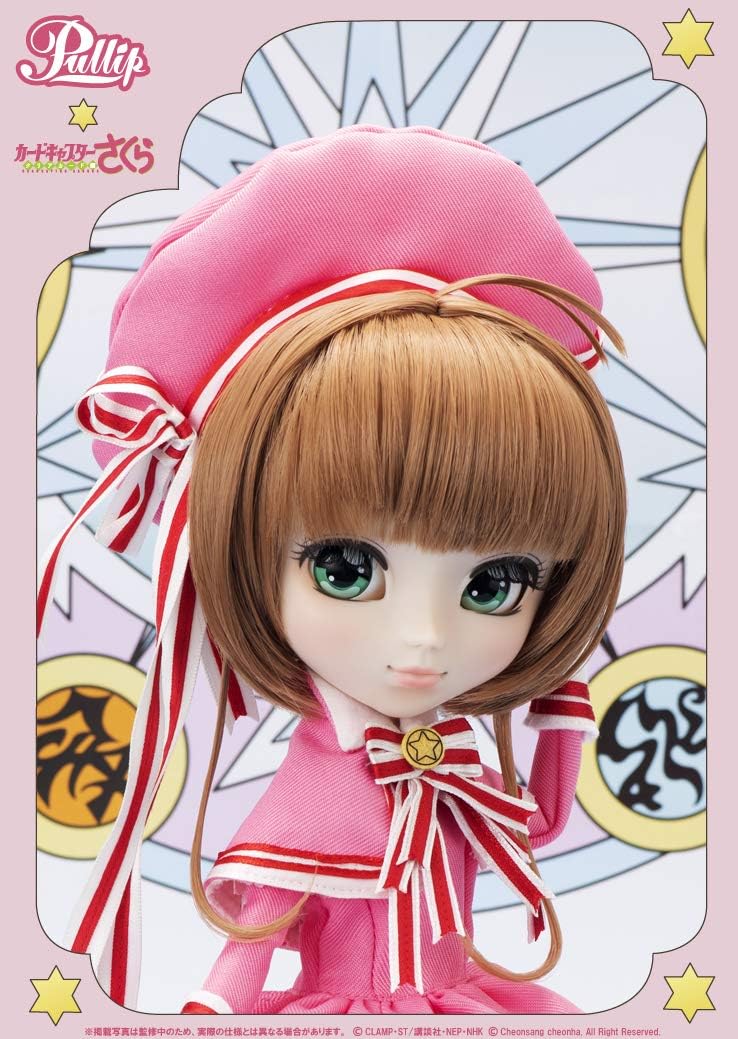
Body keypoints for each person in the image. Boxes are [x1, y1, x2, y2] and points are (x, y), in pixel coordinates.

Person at [37, 124, 626, 1013]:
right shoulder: (320, 788)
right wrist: (213, 1011)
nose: (424, 639)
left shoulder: (453, 757)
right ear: (239, 547)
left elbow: (539, 823)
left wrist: (562, 706)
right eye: (346, 568)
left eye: (493, 584)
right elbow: (255, 939)